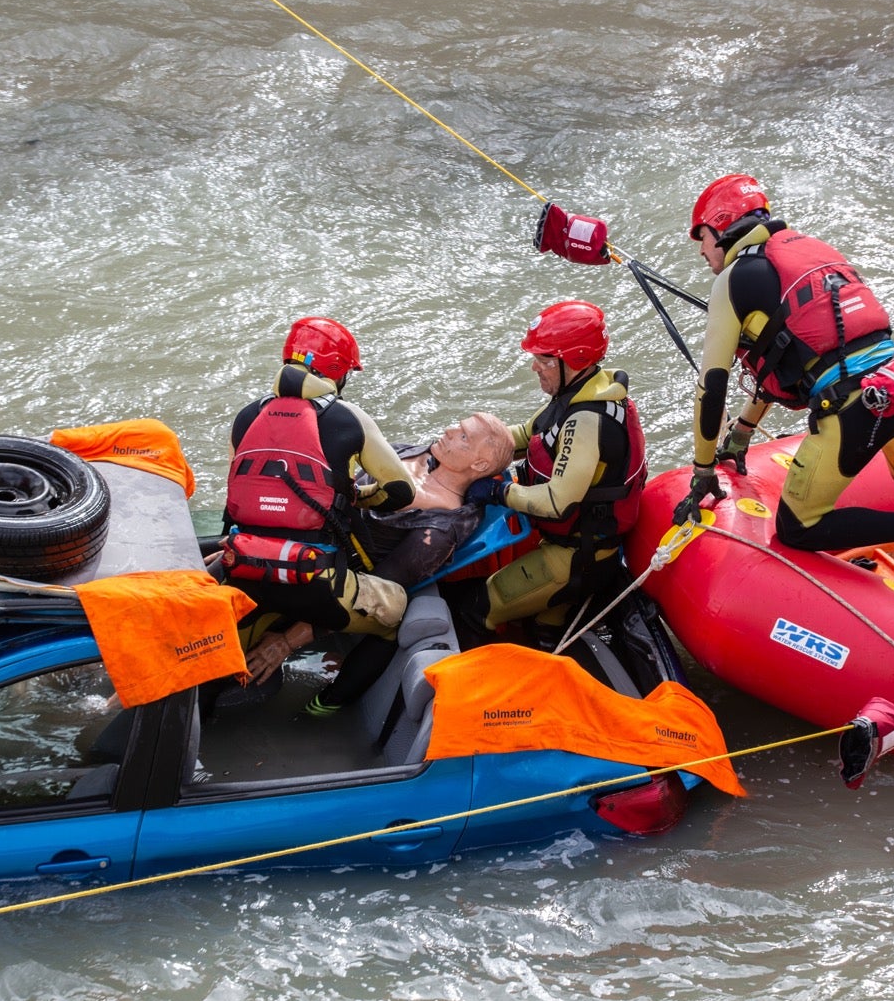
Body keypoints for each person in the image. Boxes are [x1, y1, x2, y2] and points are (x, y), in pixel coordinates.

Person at [674, 174, 894, 602]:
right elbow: (786, 355)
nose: (702, 250)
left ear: (722, 227)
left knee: (798, 527)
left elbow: (712, 385)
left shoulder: (734, 278)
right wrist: (741, 433)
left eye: (702, 237)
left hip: (852, 408)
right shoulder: (810, 250)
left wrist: (704, 470)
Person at [242, 411, 516, 713]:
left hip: (330, 578)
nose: (450, 429)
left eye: (463, 436)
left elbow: (372, 592)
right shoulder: (413, 453)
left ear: (479, 465)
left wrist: (286, 642)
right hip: (307, 538)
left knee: (388, 624)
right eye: (458, 424)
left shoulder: (438, 530)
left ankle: (327, 705)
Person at [219, 317, 417, 655]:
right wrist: (357, 498)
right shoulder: (350, 417)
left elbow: (240, 491)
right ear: (339, 371)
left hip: (246, 571)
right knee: (397, 612)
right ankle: (335, 696)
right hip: (317, 582)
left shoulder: (247, 416)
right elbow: (401, 491)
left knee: (259, 609)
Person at [463, 300, 647, 633]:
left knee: (475, 609)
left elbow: (555, 502)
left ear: (574, 359)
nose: (535, 367)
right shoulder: (581, 391)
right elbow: (525, 435)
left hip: (577, 557)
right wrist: (470, 445)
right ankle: (548, 634)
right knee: (541, 622)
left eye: (543, 359)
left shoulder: (587, 420)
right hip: (573, 546)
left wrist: (496, 491)